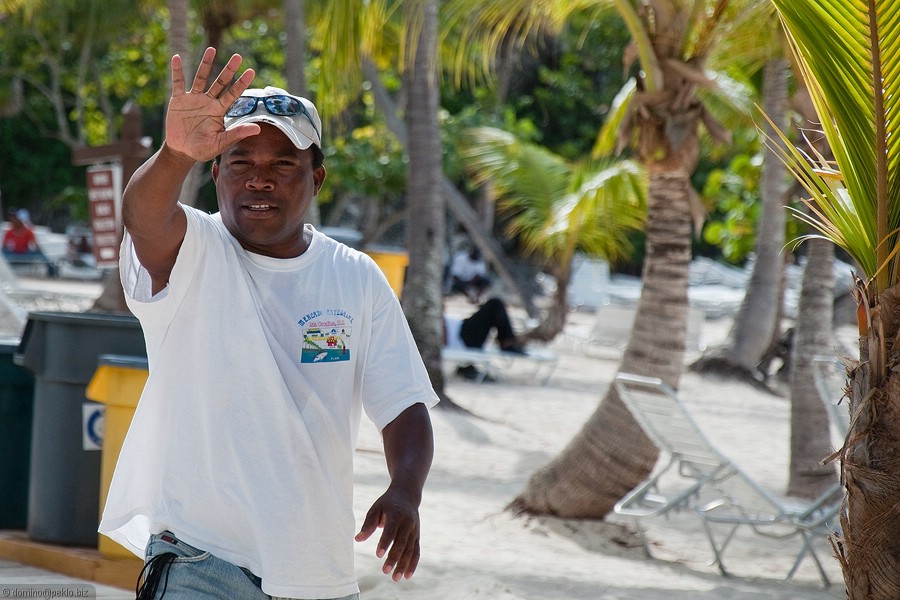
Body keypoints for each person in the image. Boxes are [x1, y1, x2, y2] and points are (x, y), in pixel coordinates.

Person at [98, 48, 438, 600]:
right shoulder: (191, 250)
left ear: (316, 178)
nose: (260, 180)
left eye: (283, 164)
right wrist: (174, 154)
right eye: (241, 162)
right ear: (216, 173)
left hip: (317, 574)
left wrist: (406, 491)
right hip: (199, 562)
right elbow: (143, 218)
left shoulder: (355, 276)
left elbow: (404, 405)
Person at [444, 296, 527, 380]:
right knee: (495, 304)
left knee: (494, 308)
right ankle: (508, 342)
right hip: (462, 337)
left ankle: (508, 341)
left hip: (462, 327)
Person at [2, 209, 57, 277]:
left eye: (16, 218)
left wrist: (38, 251)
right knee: (2, 251)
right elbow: (4, 247)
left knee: (39, 253)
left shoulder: (28, 231)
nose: (14, 220)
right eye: (13, 218)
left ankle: (51, 271)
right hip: (12, 254)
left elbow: (36, 246)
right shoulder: (9, 232)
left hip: (25, 254)